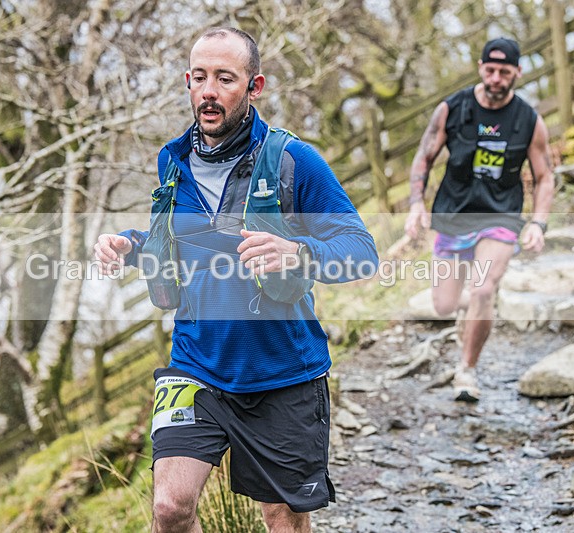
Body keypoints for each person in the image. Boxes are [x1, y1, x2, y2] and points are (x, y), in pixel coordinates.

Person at [94, 27, 378, 532]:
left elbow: (362, 253)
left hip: (282, 371)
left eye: (225, 78)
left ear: (255, 86)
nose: (209, 90)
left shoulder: (294, 161)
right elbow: (181, 237)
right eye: (199, 77)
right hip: (196, 363)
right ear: (186, 82)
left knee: (282, 518)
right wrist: (130, 245)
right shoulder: (172, 162)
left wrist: (299, 251)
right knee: (169, 508)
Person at [404, 37, 554, 402]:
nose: (497, 78)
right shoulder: (452, 109)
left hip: (500, 215)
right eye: (490, 69)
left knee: (483, 288)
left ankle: (467, 371)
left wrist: (538, 222)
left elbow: (546, 175)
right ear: (480, 68)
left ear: (518, 72)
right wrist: (415, 204)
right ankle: (474, 311)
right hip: (454, 215)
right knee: (442, 304)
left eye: (505, 71)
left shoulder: (529, 120)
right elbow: (424, 158)